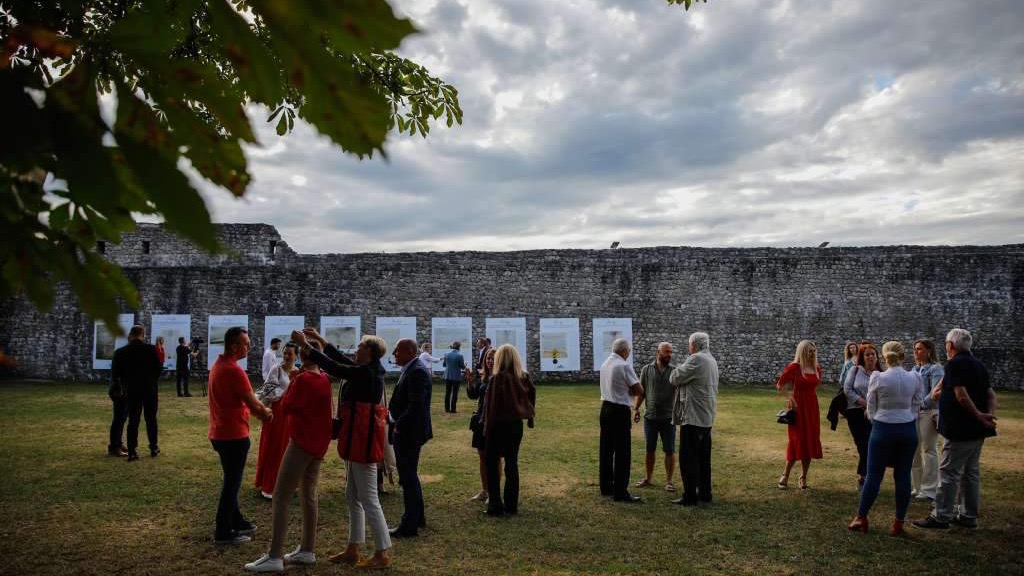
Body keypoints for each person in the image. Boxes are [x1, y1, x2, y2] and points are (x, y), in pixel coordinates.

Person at [293, 329, 393, 569]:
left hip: (362, 442)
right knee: (352, 496)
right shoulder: (368, 371)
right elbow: (342, 363)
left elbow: (337, 368)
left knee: (369, 498)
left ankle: (381, 553)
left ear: (369, 352)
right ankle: (353, 547)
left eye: (360, 347)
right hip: (356, 439)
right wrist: (321, 341)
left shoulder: (366, 374)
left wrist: (307, 345)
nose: (356, 350)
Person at [245, 341, 332, 572]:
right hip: (317, 443)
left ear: (302, 355)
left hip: (301, 441)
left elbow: (288, 405)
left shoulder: (302, 378)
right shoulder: (323, 377)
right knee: (308, 494)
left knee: (281, 495)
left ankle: (274, 555)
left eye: (297, 352)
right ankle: (307, 549)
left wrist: (294, 380)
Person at [915, 328, 997, 531]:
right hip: (977, 429)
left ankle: (941, 515)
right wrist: (988, 415)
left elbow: (960, 394)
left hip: (960, 428)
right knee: (970, 472)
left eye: (946, 343)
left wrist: (978, 415)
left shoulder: (954, 364)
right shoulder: (978, 364)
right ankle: (968, 515)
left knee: (949, 472)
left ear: (950, 345)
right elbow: (990, 393)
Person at [848, 341, 924, 536]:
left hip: (883, 427)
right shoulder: (914, 377)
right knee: (903, 475)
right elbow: (918, 402)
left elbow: (871, 406)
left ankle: (861, 517)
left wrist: (877, 420)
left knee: (873, 475)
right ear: (903, 357)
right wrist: (908, 416)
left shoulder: (878, 377)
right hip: (907, 428)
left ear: (883, 357)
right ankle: (898, 523)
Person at [208, 326, 273, 544]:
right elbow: (254, 404)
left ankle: (235, 520)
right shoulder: (234, 371)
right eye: (246, 343)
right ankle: (223, 531)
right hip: (233, 435)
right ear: (234, 346)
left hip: (220, 432)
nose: (249, 347)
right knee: (232, 483)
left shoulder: (219, 366)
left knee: (231, 480)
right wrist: (267, 413)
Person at [483, 344, 536, 516]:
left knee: (491, 464)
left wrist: (487, 427)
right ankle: (511, 505)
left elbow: (490, 407)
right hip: (515, 426)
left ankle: (495, 506)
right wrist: (529, 418)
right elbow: (531, 396)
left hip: (498, 425)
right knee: (512, 464)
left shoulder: (497, 379)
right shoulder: (524, 377)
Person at [388, 338, 433, 538]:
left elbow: (416, 405)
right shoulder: (412, 368)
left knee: (408, 477)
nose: (394, 354)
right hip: (408, 430)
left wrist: (398, 425)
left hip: (409, 432)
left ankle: (409, 524)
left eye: (397, 351)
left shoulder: (417, 372)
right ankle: (417, 516)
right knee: (410, 474)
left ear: (408, 351)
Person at [670, 332, 720, 505]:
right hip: (706, 416)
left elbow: (674, 378)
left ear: (695, 345)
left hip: (693, 416)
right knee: (703, 458)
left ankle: (690, 495)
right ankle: (705, 493)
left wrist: (678, 368)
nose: (688, 347)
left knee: (688, 458)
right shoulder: (711, 360)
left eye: (690, 344)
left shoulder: (696, 359)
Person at [599, 338, 644, 503]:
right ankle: (620, 492)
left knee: (606, 449)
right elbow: (639, 390)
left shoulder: (605, 364)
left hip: (605, 408)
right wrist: (630, 392)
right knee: (622, 452)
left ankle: (606, 486)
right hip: (619, 411)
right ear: (625, 351)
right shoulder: (624, 365)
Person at [775, 340, 824, 490]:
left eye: (814, 350)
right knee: (797, 440)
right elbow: (780, 384)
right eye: (809, 350)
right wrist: (790, 398)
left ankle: (803, 477)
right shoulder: (795, 367)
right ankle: (786, 474)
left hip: (812, 408)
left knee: (810, 439)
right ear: (802, 351)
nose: (812, 353)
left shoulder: (816, 368)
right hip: (798, 408)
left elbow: (815, 386)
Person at [111, 325, 163, 461]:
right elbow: (158, 370)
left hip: (132, 390)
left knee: (133, 420)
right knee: (151, 419)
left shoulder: (121, 352)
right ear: (142, 334)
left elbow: (116, 374)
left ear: (131, 334)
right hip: (149, 390)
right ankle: (153, 447)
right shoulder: (151, 350)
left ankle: (132, 450)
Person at [253, 342, 298, 500]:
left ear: (296, 356)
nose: (286, 356)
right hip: (276, 415)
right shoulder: (276, 370)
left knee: (287, 450)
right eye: (284, 353)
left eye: (289, 354)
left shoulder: (297, 372)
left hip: (289, 416)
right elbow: (267, 393)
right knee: (273, 447)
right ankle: (269, 486)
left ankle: (287, 484)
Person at [634, 342, 677, 492]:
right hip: (650, 417)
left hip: (668, 418)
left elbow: (679, 394)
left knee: (670, 450)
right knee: (649, 450)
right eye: (666, 352)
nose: (669, 355)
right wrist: (636, 409)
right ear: (658, 352)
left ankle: (669, 481)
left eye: (671, 352)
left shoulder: (674, 371)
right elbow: (642, 392)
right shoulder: (646, 370)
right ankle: (648, 478)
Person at [843, 342, 881, 489]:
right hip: (855, 413)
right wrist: (864, 403)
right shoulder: (855, 370)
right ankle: (865, 476)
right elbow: (847, 389)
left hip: (874, 415)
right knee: (862, 445)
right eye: (867, 354)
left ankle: (865, 477)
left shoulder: (880, 374)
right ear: (862, 357)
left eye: (873, 354)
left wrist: (871, 407)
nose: (871, 357)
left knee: (872, 445)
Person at [911, 338, 944, 501]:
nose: (916, 352)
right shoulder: (914, 370)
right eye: (915, 349)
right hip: (913, 414)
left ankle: (929, 489)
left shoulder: (936, 368)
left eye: (919, 349)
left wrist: (920, 404)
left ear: (928, 351)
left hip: (929, 412)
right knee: (914, 450)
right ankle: (917, 487)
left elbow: (936, 393)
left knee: (929, 450)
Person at [466, 347, 497, 502]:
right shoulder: (485, 377)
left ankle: (493, 492)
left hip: (493, 423)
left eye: (493, 358)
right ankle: (485, 490)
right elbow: (473, 395)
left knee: (494, 459)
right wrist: (470, 381)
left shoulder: (500, 377)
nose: (490, 361)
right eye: (488, 358)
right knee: (483, 458)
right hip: (480, 421)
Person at [442, 341, 466, 413]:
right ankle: (453, 409)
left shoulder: (446, 354)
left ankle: (446, 409)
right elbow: (462, 367)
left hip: (448, 375)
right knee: (455, 393)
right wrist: (465, 364)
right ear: (459, 347)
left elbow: (444, 365)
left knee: (447, 392)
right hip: (456, 376)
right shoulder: (460, 356)